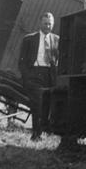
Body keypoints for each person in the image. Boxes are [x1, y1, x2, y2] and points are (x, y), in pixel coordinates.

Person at [18, 12, 59, 140]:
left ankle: (42, 131)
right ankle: (36, 134)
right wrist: (27, 76)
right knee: (38, 103)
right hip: (34, 74)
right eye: (45, 23)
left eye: (50, 24)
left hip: (49, 75)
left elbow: (59, 59)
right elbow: (22, 61)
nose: (47, 26)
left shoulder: (57, 40)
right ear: (40, 23)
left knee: (46, 103)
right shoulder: (29, 39)